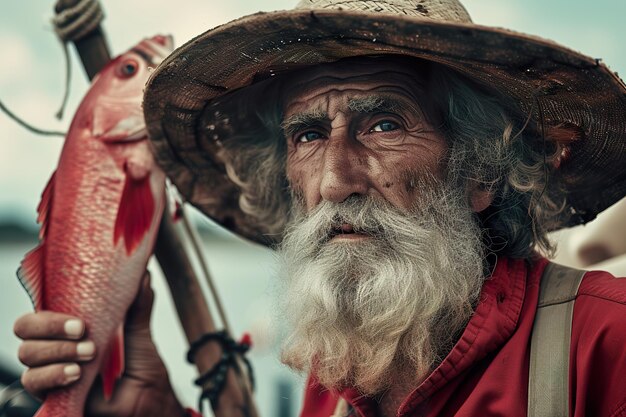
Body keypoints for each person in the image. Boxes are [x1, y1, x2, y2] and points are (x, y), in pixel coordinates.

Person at [13, 0, 626, 416]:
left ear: (481, 171)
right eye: (307, 135)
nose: (335, 180)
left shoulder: (606, 342)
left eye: (384, 124)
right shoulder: (338, 364)